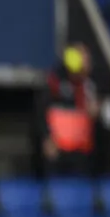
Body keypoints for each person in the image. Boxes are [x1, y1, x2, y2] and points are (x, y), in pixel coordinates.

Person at [42, 43, 100, 177]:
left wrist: (96, 111)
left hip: (82, 152)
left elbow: (93, 113)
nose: (87, 62)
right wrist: (46, 137)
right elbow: (42, 112)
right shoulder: (55, 83)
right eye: (83, 58)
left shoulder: (90, 86)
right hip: (57, 150)